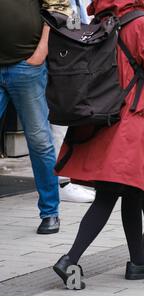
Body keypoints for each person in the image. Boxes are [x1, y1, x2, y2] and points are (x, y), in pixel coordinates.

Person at [53, 0, 144, 288]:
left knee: (132, 190)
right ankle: (70, 260)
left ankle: (139, 263)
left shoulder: (104, 19)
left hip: (106, 115)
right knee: (108, 195)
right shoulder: (143, 24)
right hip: (131, 120)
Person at [0, 0, 72, 234]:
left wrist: (42, 51)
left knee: (40, 142)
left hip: (28, 65)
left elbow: (58, 8)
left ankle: (50, 212)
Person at [51, 0, 96, 203]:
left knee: (70, 120)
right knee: (57, 124)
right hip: (58, 61)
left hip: (79, 61)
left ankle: (68, 177)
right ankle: (60, 182)